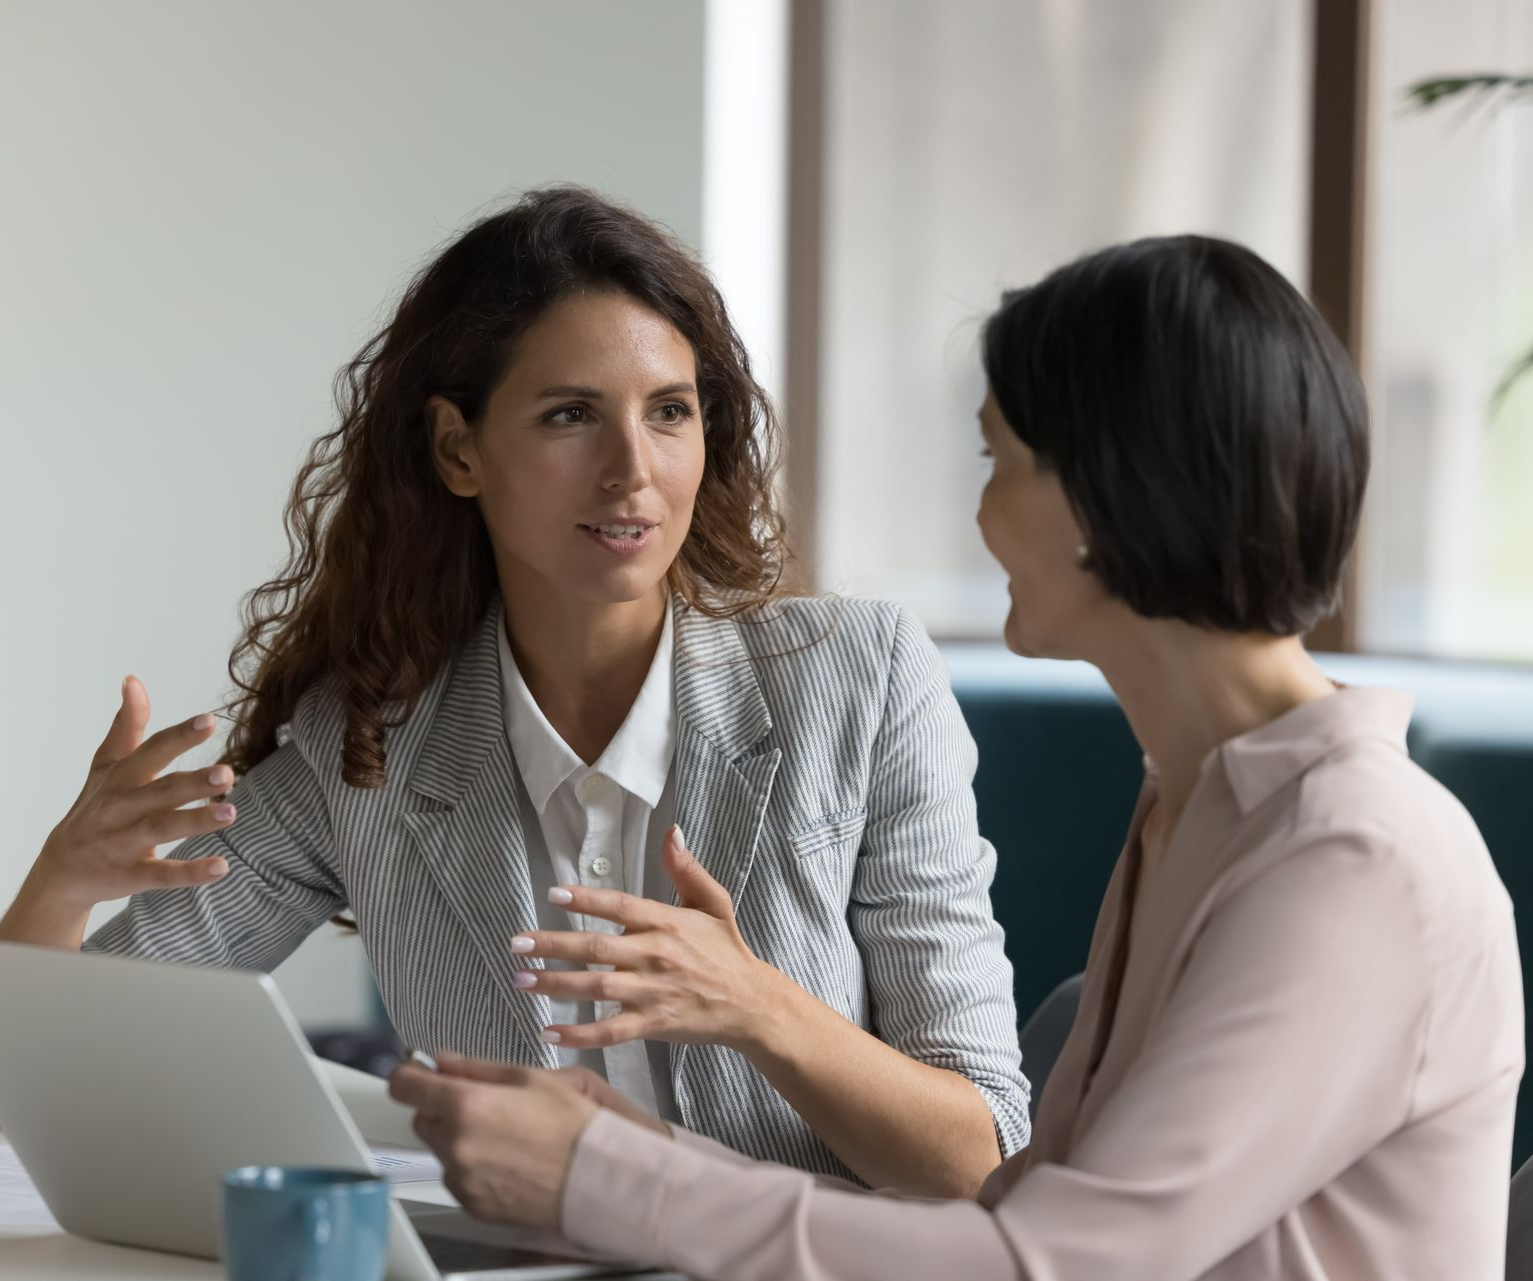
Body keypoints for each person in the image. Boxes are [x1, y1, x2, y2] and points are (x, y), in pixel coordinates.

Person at [388, 234, 1525, 1280]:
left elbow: (1053, 1264)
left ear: (1107, 493)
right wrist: (632, 1150)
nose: (980, 516)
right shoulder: (1199, 807)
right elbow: (1011, 1215)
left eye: (999, 459)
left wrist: (613, 1178)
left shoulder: (1354, 858)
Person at [0, 186, 1030, 1195]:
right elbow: (63, 1068)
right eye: (571, 415)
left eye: (669, 412)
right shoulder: (365, 749)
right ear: (458, 450)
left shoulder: (859, 677)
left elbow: (979, 1160)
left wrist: (752, 1004)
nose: (634, 468)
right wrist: (60, 888)